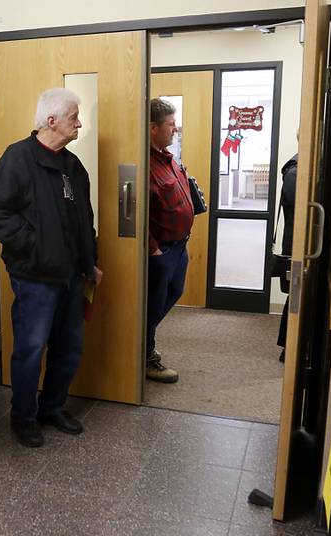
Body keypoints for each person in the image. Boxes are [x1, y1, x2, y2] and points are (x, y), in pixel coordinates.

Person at [0, 88, 102, 448]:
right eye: (73, 117)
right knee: (31, 350)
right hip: (35, 278)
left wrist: (90, 262)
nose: (79, 123)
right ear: (51, 121)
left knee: (69, 347)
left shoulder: (73, 166)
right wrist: (35, 246)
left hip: (72, 276)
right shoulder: (18, 159)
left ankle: (52, 407)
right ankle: (23, 417)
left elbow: (85, 220)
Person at [146, 98, 194, 384]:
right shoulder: (145, 163)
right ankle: (144, 353)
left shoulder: (168, 158)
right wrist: (153, 248)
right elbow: (136, 211)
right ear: (153, 128)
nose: (175, 130)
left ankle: (141, 343)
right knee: (152, 304)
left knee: (173, 292)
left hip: (179, 246)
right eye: (171, 125)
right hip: (160, 251)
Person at [276, 152, 298, 363]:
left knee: (295, 297)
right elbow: (296, 212)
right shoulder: (295, 171)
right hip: (297, 246)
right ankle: (288, 346)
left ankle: (289, 346)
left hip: (297, 244)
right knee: (295, 297)